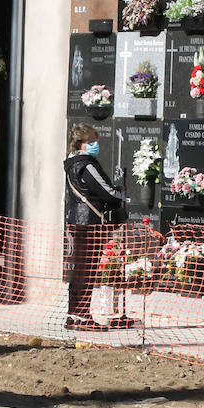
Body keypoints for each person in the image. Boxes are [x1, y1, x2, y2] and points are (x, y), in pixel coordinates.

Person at [62, 123, 126, 330]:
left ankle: (74, 315)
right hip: (89, 223)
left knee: (79, 270)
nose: (95, 145)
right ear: (80, 143)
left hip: (77, 221)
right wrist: (121, 194)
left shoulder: (71, 163)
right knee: (87, 271)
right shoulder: (85, 164)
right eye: (91, 142)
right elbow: (107, 192)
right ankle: (81, 317)